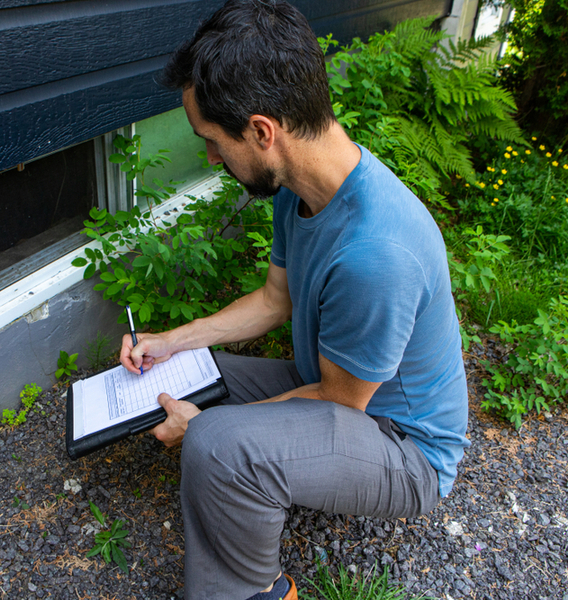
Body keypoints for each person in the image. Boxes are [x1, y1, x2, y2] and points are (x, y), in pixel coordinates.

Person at [118, 2, 470, 599]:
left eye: (211, 141)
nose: (209, 157)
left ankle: (256, 593)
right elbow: (273, 301)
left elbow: (342, 401)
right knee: (187, 371)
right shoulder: (297, 188)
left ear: (261, 131)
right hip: (340, 391)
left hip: (404, 449)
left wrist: (210, 428)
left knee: (216, 444)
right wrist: (167, 342)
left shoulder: (376, 252)